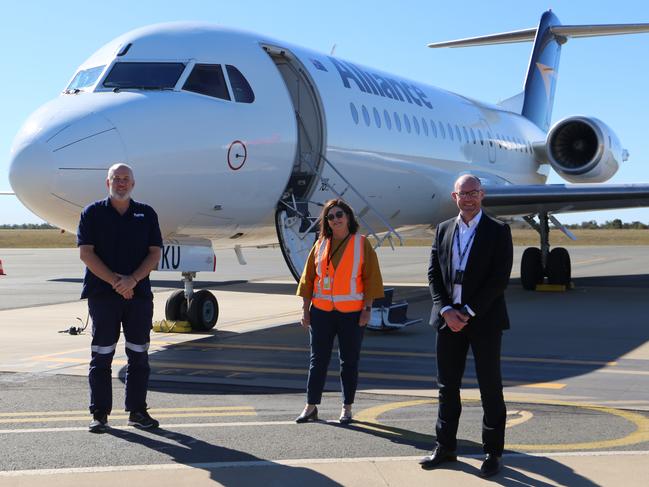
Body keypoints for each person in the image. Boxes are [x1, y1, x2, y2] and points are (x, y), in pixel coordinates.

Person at [420, 174, 513, 478]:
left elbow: (499, 279)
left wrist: (468, 312)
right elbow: (434, 274)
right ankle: (445, 446)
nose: (469, 198)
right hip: (448, 321)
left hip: (483, 320)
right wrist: (446, 310)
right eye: (464, 194)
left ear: (482, 195)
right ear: (454, 197)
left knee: (490, 387)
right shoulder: (444, 230)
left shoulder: (498, 231)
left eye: (474, 193)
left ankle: (492, 452)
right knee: (447, 387)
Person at [77, 163, 163, 433]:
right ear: (108, 183)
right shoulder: (92, 213)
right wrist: (117, 282)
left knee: (139, 354)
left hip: (138, 296)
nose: (121, 183)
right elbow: (86, 254)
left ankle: (137, 412)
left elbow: (154, 253)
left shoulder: (146, 214)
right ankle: (99, 414)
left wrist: (133, 280)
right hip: (103, 296)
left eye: (126, 179)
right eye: (116, 178)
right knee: (102, 355)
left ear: (133, 184)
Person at [295, 198, 384, 424]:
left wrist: (367, 309)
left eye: (339, 215)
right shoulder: (320, 244)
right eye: (330, 216)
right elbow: (308, 280)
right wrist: (305, 310)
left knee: (349, 361)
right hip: (322, 312)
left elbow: (371, 279)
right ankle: (311, 405)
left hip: (351, 313)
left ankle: (347, 408)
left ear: (348, 218)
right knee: (318, 360)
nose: (335, 219)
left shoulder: (361, 244)